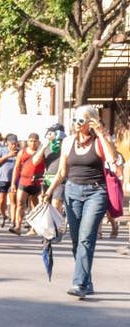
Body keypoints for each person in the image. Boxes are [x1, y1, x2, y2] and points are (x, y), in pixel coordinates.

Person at [44, 105, 116, 299]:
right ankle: (87, 281)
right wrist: (49, 192)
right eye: (75, 119)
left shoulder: (101, 141)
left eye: (82, 120)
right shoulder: (68, 142)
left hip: (96, 193)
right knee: (76, 241)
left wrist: (101, 134)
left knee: (86, 238)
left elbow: (112, 159)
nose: (77, 124)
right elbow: (61, 172)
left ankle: (79, 283)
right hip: (72, 191)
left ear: (91, 121)